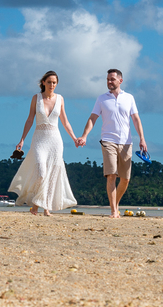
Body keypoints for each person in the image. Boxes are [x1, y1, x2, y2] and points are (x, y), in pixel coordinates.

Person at [75, 68, 147, 219]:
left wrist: (142, 138)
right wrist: (84, 135)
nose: (109, 82)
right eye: (108, 79)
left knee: (125, 179)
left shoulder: (129, 98)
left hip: (126, 142)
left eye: (112, 79)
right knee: (111, 175)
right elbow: (92, 118)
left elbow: (135, 119)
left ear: (120, 80)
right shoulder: (101, 99)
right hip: (108, 141)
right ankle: (114, 211)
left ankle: (116, 204)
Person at [9, 70, 78, 216]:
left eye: (54, 82)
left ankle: (44, 208)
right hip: (39, 139)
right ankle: (36, 204)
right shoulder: (36, 98)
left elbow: (65, 121)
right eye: (49, 82)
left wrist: (74, 138)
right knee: (40, 172)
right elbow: (30, 119)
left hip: (55, 140)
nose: (52, 85)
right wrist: (22, 139)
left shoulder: (60, 99)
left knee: (52, 174)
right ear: (43, 83)